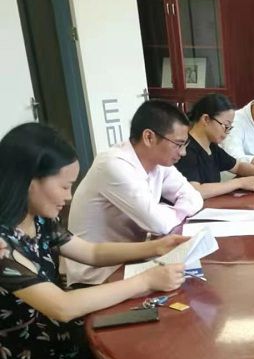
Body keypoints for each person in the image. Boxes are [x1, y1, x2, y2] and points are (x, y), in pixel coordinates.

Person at [0, 123, 205, 359]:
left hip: (46, 335)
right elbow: (61, 306)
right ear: (30, 180)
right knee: (114, 351)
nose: (68, 196)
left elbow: (91, 252)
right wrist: (145, 280)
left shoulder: (36, 220)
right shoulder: (2, 243)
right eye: (64, 186)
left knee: (123, 333)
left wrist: (155, 247)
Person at [65, 100, 204, 286]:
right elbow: (159, 225)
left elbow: (194, 197)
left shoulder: (159, 162)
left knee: (194, 280)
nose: (183, 152)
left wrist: (164, 212)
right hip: (100, 274)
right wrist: (170, 212)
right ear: (149, 137)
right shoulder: (114, 164)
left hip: (135, 259)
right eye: (178, 144)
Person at [176, 93, 254, 199]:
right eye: (225, 126)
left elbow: (238, 166)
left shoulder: (212, 147)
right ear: (206, 119)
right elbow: (195, 191)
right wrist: (239, 182)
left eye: (230, 128)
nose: (227, 132)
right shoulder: (185, 150)